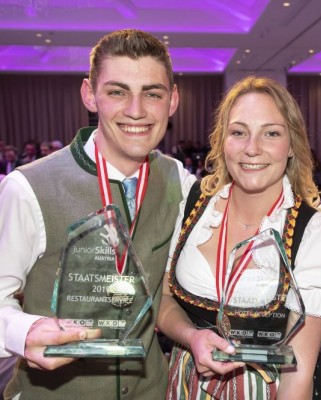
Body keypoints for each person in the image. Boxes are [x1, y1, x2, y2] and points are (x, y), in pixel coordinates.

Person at [0, 29, 196, 399]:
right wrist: (23, 331)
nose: (136, 110)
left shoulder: (180, 181)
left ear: (172, 100)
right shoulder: (27, 187)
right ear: (90, 94)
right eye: (117, 92)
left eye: (152, 93)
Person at [157, 76, 321, 399]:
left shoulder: (314, 231)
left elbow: (298, 373)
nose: (252, 148)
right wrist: (191, 336)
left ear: (292, 145)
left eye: (271, 133)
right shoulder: (194, 205)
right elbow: (163, 299)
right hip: (186, 386)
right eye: (238, 132)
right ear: (222, 141)